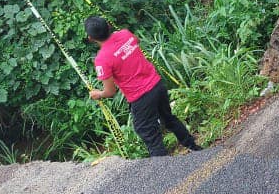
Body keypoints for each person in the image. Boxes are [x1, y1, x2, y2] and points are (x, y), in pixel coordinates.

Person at [84, 16, 202, 157]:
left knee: (148, 134)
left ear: (91, 38)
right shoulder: (125, 34)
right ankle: (194, 148)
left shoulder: (102, 59)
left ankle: (164, 170)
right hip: (157, 85)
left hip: (140, 98)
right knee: (169, 118)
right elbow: (137, 40)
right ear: (109, 26)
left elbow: (110, 92)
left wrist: (99, 94)